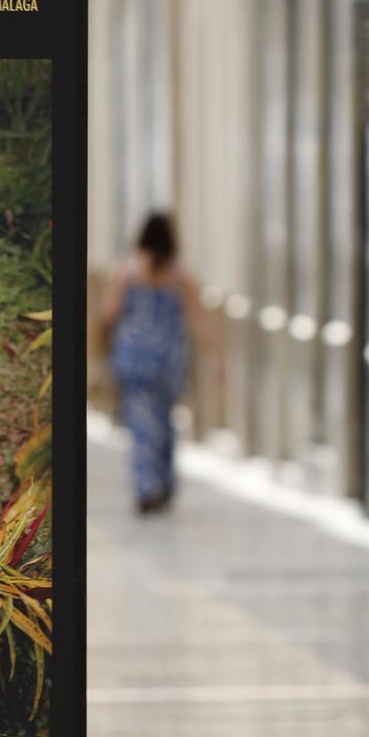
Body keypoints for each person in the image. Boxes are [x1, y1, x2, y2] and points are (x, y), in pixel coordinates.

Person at [99, 212, 214, 515]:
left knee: (140, 423)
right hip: (169, 360)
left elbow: (110, 313)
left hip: (134, 357)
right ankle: (164, 484)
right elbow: (199, 317)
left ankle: (146, 486)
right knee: (165, 421)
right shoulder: (180, 274)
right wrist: (216, 357)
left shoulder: (128, 270)